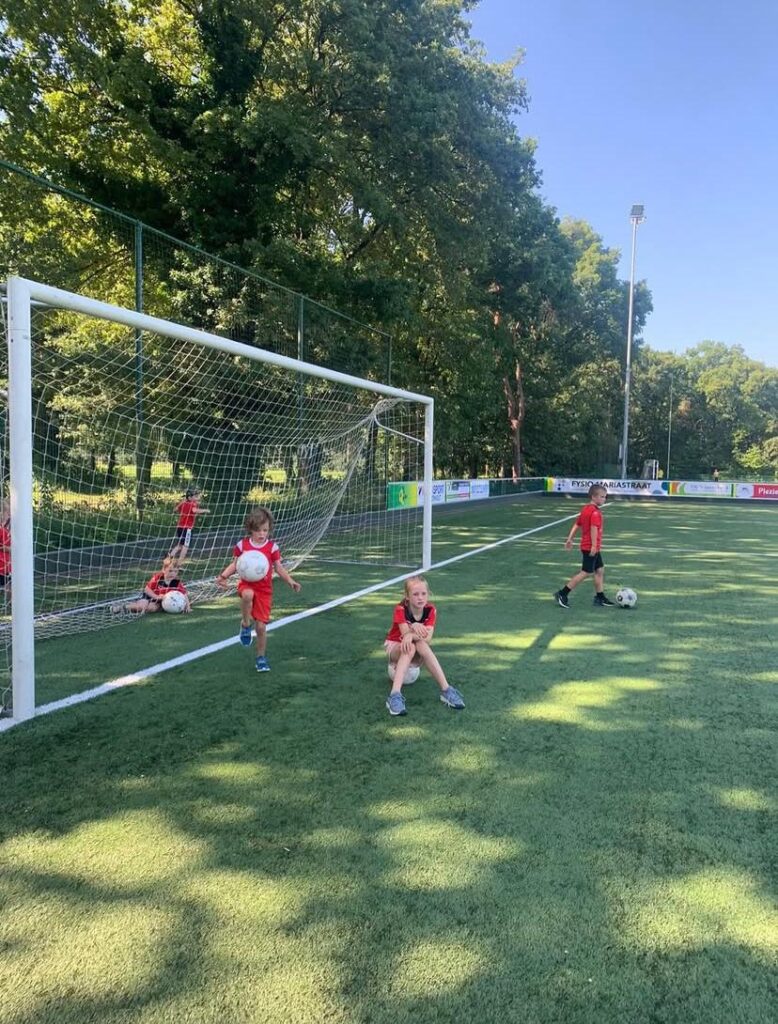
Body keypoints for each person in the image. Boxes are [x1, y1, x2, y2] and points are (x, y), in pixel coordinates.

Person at [215, 507, 301, 672]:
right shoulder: (242, 545)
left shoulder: (272, 547)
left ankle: (261, 657)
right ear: (250, 529)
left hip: (264, 590)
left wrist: (290, 581)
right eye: (258, 530)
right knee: (247, 594)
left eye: (265, 530)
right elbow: (235, 564)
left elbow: (278, 567)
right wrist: (223, 576)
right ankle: (246, 624)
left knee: (261, 627)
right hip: (247, 584)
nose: (262, 534)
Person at [384, 575, 465, 716]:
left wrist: (412, 632)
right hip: (396, 647)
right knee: (412, 647)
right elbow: (405, 637)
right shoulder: (401, 609)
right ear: (407, 596)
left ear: (428, 594)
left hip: (415, 648)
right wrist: (413, 626)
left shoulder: (431, 610)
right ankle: (394, 695)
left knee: (421, 645)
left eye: (423, 594)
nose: (420, 598)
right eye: (415, 594)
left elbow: (427, 638)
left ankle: (446, 690)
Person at [554, 484, 615, 608]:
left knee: (600, 570)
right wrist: (593, 546)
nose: (604, 499)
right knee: (586, 572)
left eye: (605, 497)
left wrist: (569, 539)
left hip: (591, 547)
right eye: (602, 497)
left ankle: (599, 597)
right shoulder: (595, 513)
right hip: (590, 547)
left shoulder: (585, 509)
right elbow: (593, 529)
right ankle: (562, 593)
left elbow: (577, 524)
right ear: (594, 497)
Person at [114, 556, 191, 614]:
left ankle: (131, 608)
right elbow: (147, 590)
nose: (173, 574)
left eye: (175, 571)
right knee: (142, 606)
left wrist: (188, 606)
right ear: (164, 570)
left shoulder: (176, 582)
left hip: (160, 601)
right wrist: (157, 597)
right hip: (150, 596)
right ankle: (122, 607)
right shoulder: (158, 577)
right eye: (170, 571)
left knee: (152, 608)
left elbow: (184, 594)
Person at [168, 488, 210, 563]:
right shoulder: (192, 503)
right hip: (187, 528)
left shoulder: (183, 502)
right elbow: (194, 510)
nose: (196, 497)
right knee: (185, 547)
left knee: (180, 545)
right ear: (190, 497)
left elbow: (175, 509)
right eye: (195, 496)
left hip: (179, 527)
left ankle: (169, 557)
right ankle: (179, 564)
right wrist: (205, 510)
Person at [0, 499, 11, 601]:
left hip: (7, 562)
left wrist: (6, 548)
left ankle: (11, 604)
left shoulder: (13, 524)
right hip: (2, 561)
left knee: (9, 585)